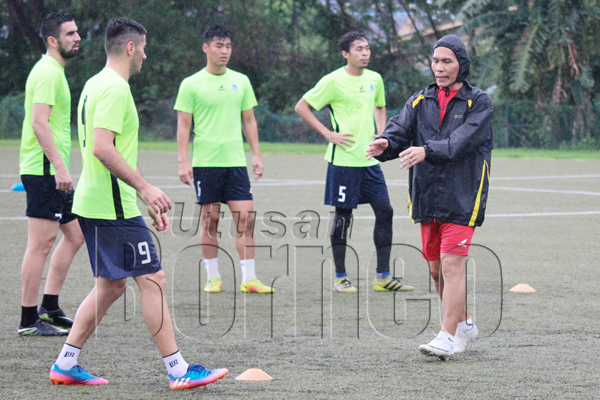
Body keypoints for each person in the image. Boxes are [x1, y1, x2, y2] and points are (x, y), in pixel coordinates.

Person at [49, 18, 228, 389]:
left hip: (100, 202)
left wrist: (142, 196)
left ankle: (66, 363)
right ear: (130, 48)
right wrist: (144, 189)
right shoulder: (115, 89)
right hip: (109, 206)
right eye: (143, 47)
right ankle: (178, 370)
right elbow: (102, 149)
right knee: (153, 279)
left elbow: (119, 149)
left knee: (111, 286)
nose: (146, 54)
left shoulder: (94, 84)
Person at [367, 34, 493, 358]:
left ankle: (447, 336)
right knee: (436, 270)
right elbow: (399, 129)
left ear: (461, 65)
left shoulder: (478, 102)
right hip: (426, 197)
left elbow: (459, 143)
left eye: (446, 61)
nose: (439, 67)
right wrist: (385, 144)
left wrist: (426, 150)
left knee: (452, 267)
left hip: (464, 197)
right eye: (436, 61)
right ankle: (463, 323)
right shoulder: (420, 100)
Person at [295, 31, 414, 293]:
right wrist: (327, 134)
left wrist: (382, 133)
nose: (365, 53)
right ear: (345, 53)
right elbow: (302, 106)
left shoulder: (375, 79)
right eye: (359, 49)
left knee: (386, 211)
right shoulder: (333, 81)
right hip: (344, 161)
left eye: (367, 48)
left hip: (370, 161)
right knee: (343, 217)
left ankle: (383, 277)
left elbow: (380, 106)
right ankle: (341, 277)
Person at [175, 25, 273, 294]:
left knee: (246, 219)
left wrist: (257, 155)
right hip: (206, 164)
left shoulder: (240, 81)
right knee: (210, 221)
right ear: (206, 48)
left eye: (228, 46)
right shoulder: (191, 84)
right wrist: (183, 161)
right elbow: (184, 126)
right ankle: (213, 277)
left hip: (235, 163)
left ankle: (249, 279)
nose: (224, 51)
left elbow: (249, 120)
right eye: (219, 45)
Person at [18, 13, 84, 336]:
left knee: (76, 235)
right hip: (44, 170)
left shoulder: (54, 71)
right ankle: (29, 320)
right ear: (52, 41)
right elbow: (39, 123)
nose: (78, 37)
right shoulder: (47, 72)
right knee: (40, 244)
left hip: (54, 170)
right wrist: (59, 166)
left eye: (77, 32)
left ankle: (50, 307)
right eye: (70, 33)